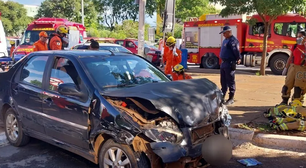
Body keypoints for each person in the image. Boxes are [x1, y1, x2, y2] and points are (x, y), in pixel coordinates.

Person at [280, 31, 306, 105]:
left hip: (302, 69)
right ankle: (284, 101)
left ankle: (296, 102)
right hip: (293, 67)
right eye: (297, 36)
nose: (298, 38)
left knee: (299, 88)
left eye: (300, 36)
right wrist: (286, 68)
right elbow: (290, 57)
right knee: (287, 86)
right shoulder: (295, 46)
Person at [219, 26, 241, 105]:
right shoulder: (225, 40)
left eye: (224, 33)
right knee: (223, 81)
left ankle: (231, 98)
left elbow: (236, 51)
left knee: (230, 81)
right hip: (223, 63)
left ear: (229, 32)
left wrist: (238, 58)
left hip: (229, 63)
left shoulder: (233, 41)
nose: (223, 34)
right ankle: (222, 97)